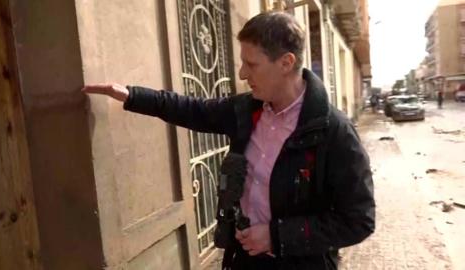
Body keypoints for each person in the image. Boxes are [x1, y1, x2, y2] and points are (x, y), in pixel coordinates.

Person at [83, 12, 375, 270]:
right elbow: (193, 110)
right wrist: (132, 96)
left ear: (286, 63)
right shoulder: (247, 110)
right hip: (244, 259)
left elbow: (359, 220)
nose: (242, 74)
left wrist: (277, 236)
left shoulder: (333, 131)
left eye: (252, 64)